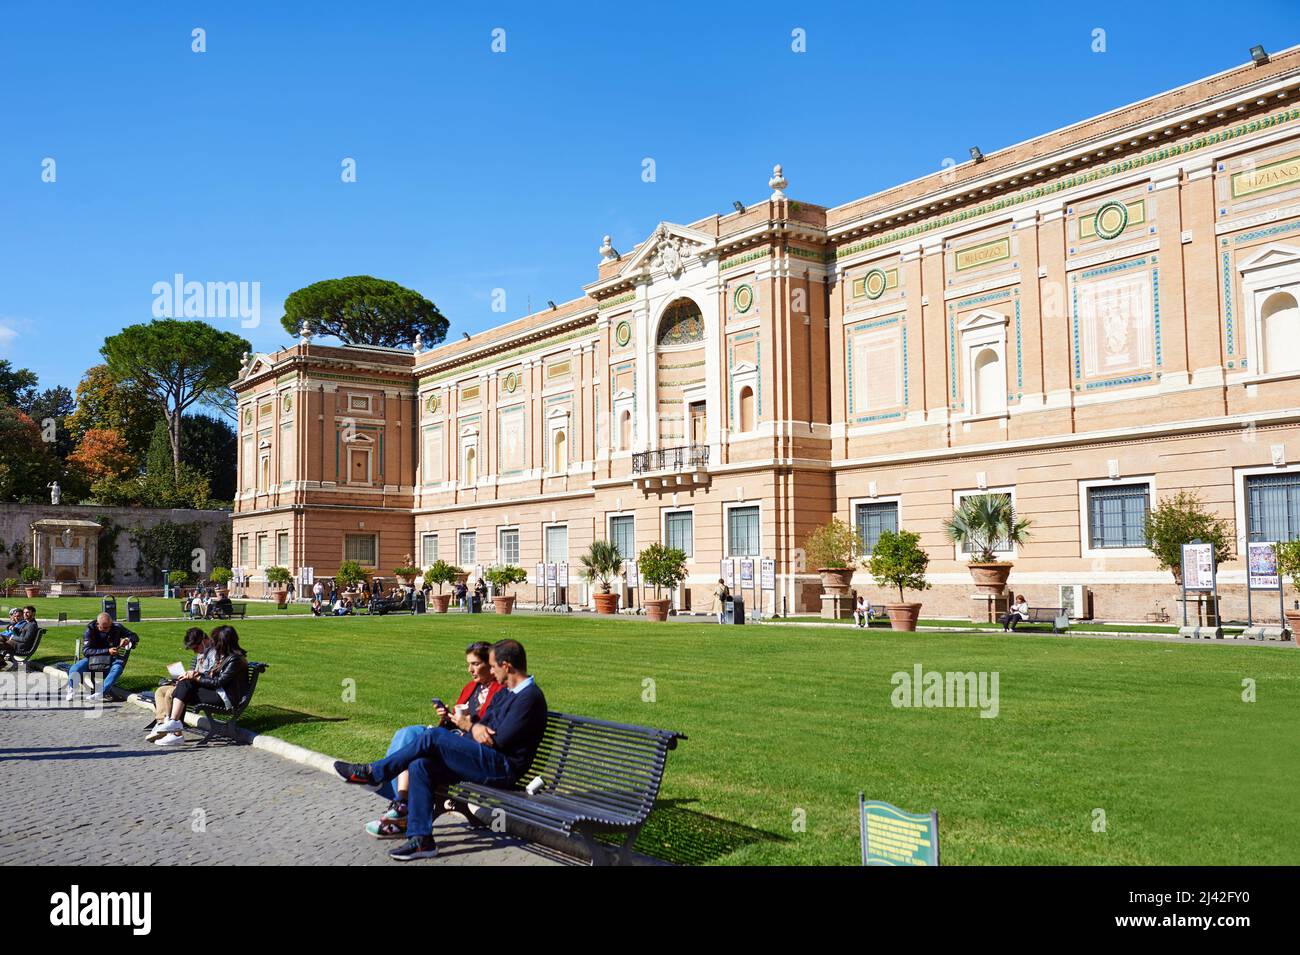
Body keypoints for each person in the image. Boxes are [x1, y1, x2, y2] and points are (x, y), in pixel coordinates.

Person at [335, 639, 548, 860]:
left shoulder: (529, 697)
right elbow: (486, 728)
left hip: (503, 768)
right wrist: (473, 729)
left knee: (433, 736)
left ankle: (374, 773)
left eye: (493, 666)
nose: (492, 671)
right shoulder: (508, 692)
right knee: (421, 765)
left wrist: (471, 726)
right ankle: (421, 840)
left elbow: (499, 739)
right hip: (487, 758)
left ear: (507, 666)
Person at [364, 641, 506, 839]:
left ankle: (397, 803)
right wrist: (447, 717)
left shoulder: (500, 691)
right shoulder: (471, 688)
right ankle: (401, 803)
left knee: (417, 745)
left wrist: (466, 723)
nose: (470, 670)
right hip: (454, 737)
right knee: (406, 734)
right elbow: (456, 722)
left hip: (469, 748)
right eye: (468, 664)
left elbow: (485, 728)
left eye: (475, 664)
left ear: (490, 665)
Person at [152, 625, 249, 746]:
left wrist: (197, 677)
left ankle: (174, 729)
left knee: (184, 686)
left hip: (225, 698)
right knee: (184, 685)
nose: (213, 643)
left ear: (224, 642)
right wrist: (197, 675)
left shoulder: (235, 659)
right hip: (217, 692)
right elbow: (212, 677)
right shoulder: (225, 656)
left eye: (215, 641)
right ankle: (174, 726)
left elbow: (218, 682)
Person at [146, 627, 215, 741]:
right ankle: (162, 722)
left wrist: (193, 676)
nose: (195, 651)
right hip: (193, 684)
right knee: (161, 691)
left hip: (199, 688)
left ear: (204, 640)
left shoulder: (213, 653)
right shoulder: (202, 652)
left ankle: (172, 729)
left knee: (170, 693)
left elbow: (209, 675)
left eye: (195, 648)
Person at [65, 613, 139, 703]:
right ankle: (72, 689)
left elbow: (134, 636)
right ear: (97, 624)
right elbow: (86, 651)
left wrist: (127, 639)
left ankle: (101, 692)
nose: (107, 630)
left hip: (111, 660)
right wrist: (107, 651)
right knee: (75, 668)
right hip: (92, 660)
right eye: (104, 628)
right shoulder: (90, 630)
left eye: (109, 627)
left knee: (118, 668)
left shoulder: (117, 627)